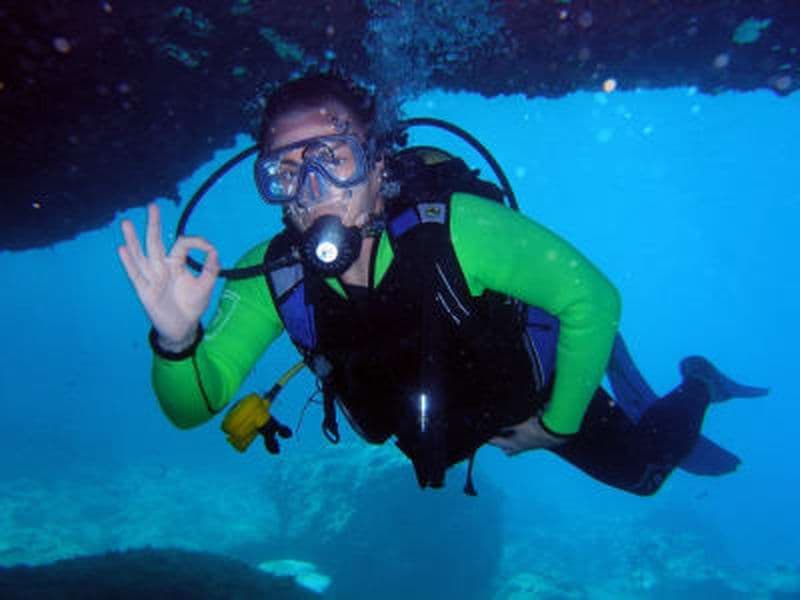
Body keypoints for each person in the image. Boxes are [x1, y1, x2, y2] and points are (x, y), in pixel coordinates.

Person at [119, 72, 767, 496]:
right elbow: (190, 408)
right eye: (285, 173)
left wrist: (557, 426)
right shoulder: (277, 273)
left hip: (526, 403)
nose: (312, 191)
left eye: (333, 159)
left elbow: (593, 299)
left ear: (377, 165)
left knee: (644, 474)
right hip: (435, 428)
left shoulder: (458, 231)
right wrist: (175, 339)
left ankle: (700, 383)